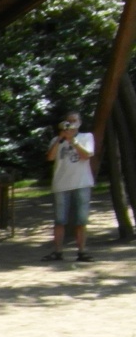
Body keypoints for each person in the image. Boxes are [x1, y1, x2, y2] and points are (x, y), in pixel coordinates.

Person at [44, 110, 95, 262]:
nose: (71, 124)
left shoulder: (86, 137)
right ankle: (58, 252)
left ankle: (81, 251)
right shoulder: (57, 140)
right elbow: (50, 157)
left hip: (82, 183)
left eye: (74, 121)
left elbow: (86, 155)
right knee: (60, 220)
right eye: (69, 121)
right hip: (61, 184)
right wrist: (61, 138)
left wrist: (72, 140)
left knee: (81, 220)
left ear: (79, 123)